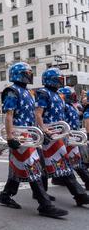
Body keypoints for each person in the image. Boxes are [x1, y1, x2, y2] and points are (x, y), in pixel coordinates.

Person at [0, 63, 67, 218]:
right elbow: (9, 115)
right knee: (33, 169)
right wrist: (10, 138)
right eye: (27, 72)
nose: (30, 75)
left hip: (31, 135)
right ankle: (45, 205)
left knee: (33, 168)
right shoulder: (12, 91)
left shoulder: (29, 92)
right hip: (20, 134)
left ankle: (5, 195)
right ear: (19, 74)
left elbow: (34, 114)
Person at [35, 68, 89, 207]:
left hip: (59, 132)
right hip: (50, 133)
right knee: (62, 164)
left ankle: (41, 193)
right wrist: (43, 129)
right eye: (58, 79)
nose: (61, 81)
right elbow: (38, 113)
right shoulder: (43, 93)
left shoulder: (58, 96)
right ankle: (79, 195)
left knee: (46, 166)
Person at [51, 87, 89, 190]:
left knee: (74, 161)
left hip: (72, 136)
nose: (74, 97)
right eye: (72, 96)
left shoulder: (69, 106)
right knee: (75, 161)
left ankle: (58, 178)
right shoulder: (65, 107)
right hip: (68, 136)